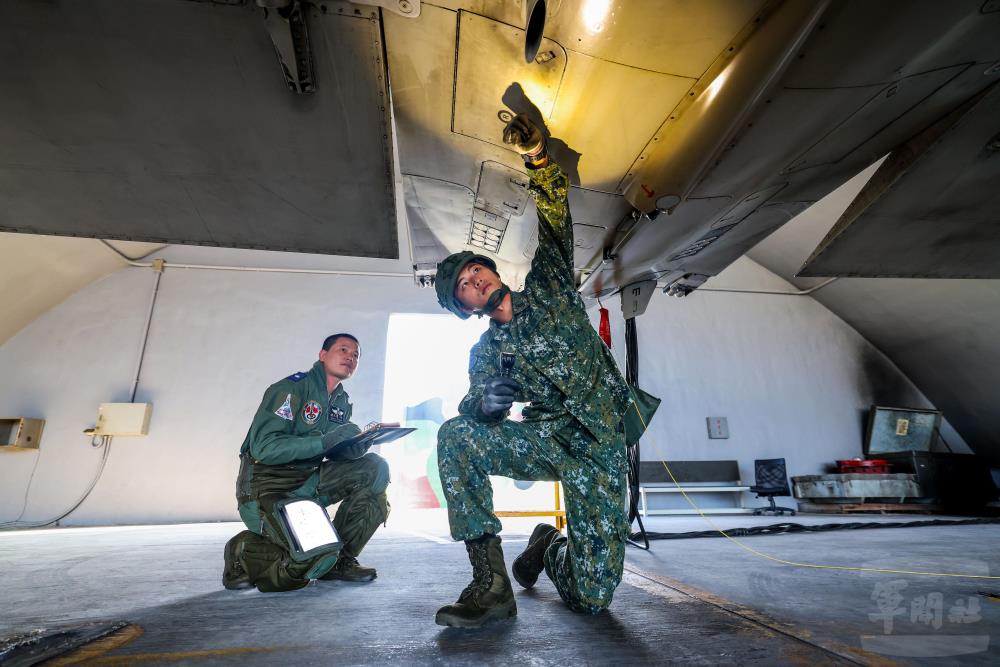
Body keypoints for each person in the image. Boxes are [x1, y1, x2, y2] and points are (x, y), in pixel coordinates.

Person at [432, 114, 633, 627]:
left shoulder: (549, 287)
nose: (472, 279)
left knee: (593, 599)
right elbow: (475, 403)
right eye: (462, 286)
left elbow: (553, 221)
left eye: (474, 269)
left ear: (491, 270)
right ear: (465, 308)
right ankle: (490, 582)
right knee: (457, 436)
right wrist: (486, 405)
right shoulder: (486, 350)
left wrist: (538, 159)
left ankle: (547, 548)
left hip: (600, 442)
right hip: (545, 439)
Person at [222, 333, 390, 592]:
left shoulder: (341, 402)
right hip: (267, 488)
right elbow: (265, 448)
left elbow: (332, 451)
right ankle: (243, 549)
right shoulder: (290, 389)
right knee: (309, 564)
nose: (350, 357)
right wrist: (324, 441)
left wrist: (355, 447)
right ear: (322, 355)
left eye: (356, 355)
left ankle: (339, 561)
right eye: (343, 350)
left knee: (374, 468)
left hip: (309, 482)